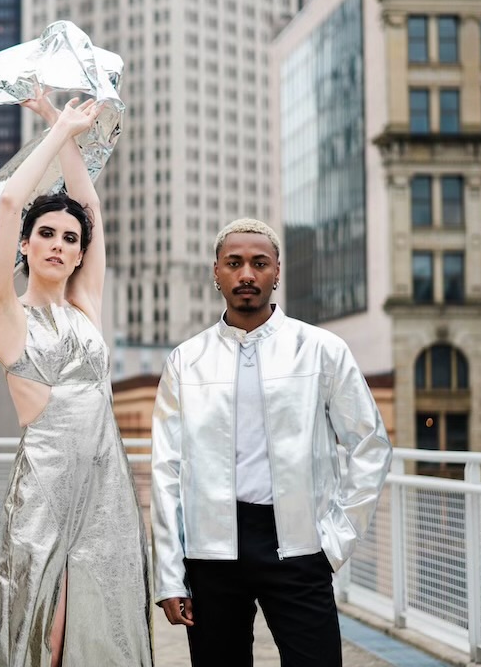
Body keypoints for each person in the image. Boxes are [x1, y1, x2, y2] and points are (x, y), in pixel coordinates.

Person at [151, 218, 392, 666]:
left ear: (277, 271)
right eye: (234, 263)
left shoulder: (322, 349)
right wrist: (169, 576)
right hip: (212, 551)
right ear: (216, 272)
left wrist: (335, 539)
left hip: (299, 545)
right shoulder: (185, 360)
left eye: (259, 263)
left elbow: (370, 446)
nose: (246, 274)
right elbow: (167, 470)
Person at [0, 91, 153, 666]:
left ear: (82, 254)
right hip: (44, 493)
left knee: (102, 629)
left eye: (70, 238)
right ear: (26, 246)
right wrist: (53, 137)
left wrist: (64, 122)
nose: (59, 244)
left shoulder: (85, 307)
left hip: (107, 489)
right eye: (46, 235)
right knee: (43, 636)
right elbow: (9, 202)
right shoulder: (7, 314)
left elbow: (90, 207)